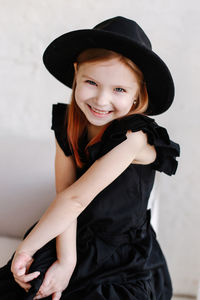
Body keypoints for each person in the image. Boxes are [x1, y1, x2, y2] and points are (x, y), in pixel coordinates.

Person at [0, 16, 180, 299]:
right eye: (92, 82)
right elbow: (66, 194)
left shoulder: (135, 137)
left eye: (119, 89)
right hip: (72, 234)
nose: (101, 100)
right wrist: (66, 260)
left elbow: (76, 199)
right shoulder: (70, 124)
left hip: (122, 257)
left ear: (137, 95)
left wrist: (26, 248)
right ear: (76, 74)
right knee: (25, 286)